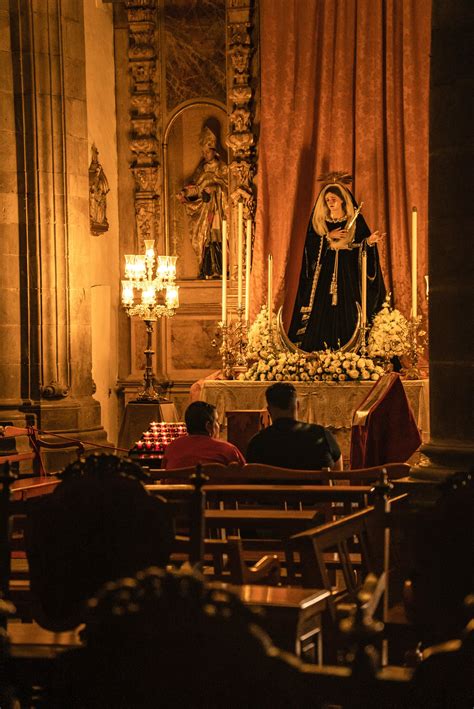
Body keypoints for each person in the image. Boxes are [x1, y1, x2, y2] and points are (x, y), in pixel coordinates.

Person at [288, 173, 386, 352]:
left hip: (348, 273)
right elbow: (310, 247)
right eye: (327, 200)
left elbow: (358, 246)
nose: (330, 203)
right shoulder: (320, 222)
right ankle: (321, 350)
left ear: (342, 200)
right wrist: (327, 237)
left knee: (349, 308)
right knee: (322, 309)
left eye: (333, 199)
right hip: (325, 273)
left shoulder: (354, 220)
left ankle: (351, 349)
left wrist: (369, 242)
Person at [246, 383, 343, 470]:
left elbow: (251, 476)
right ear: (297, 405)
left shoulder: (257, 442)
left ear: (269, 410)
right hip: (315, 486)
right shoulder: (321, 435)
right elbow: (338, 472)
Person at [177, 125, 228, 279]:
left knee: (218, 236)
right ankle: (207, 269)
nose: (205, 155)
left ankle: (221, 268)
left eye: (207, 151)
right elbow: (197, 188)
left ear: (214, 150)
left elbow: (229, 186)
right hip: (205, 211)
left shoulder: (223, 168)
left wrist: (216, 189)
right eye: (203, 152)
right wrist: (185, 193)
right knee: (205, 238)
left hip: (219, 210)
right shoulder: (202, 169)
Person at [162, 401, 245, 469]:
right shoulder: (227, 450)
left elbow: (163, 477)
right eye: (216, 421)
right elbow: (244, 476)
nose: (219, 425)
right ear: (208, 426)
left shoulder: (172, 447)